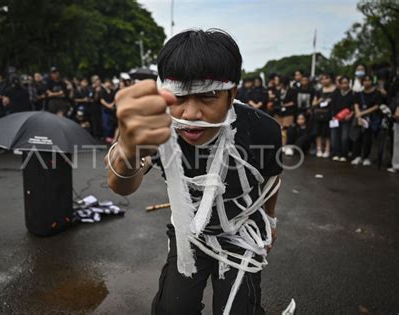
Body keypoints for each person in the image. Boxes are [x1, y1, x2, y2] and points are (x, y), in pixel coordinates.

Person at [106, 29, 282, 314]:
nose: (190, 113)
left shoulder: (263, 129)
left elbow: (273, 180)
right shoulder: (161, 128)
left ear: (232, 93)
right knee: (173, 308)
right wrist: (127, 147)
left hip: (240, 233)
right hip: (188, 234)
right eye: (179, 96)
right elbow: (121, 186)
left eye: (207, 96)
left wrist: (271, 221)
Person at [351, 75, 383, 166]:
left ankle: (366, 157)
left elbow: (377, 106)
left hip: (371, 118)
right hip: (360, 117)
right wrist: (358, 115)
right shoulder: (358, 93)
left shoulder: (377, 93)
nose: (366, 82)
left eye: (369, 80)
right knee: (357, 137)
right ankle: (357, 156)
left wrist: (363, 113)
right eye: (364, 81)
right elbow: (356, 104)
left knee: (367, 138)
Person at [330, 76, 355, 162]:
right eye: (342, 83)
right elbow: (332, 105)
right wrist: (333, 115)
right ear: (339, 84)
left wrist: (350, 115)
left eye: (346, 83)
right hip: (336, 117)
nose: (344, 85)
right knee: (334, 137)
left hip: (346, 118)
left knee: (344, 137)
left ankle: (344, 154)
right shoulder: (336, 93)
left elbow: (354, 106)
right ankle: (336, 153)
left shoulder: (352, 93)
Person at [312, 73, 336, 158]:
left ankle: (327, 149)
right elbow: (313, 103)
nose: (324, 80)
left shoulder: (335, 90)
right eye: (322, 78)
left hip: (330, 114)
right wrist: (319, 101)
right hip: (319, 114)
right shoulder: (319, 91)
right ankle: (319, 149)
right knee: (318, 133)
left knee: (327, 133)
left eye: (327, 78)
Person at [100, 79, 116, 143]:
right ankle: (105, 137)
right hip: (105, 108)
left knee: (111, 123)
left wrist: (112, 104)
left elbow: (115, 98)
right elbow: (102, 100)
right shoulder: (102, 91)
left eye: (109, 83)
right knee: (105, 123)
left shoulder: (113, 91)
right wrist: (108, 105)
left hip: (111, 108)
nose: (108, 84)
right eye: (107, 83)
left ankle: (109, 137)